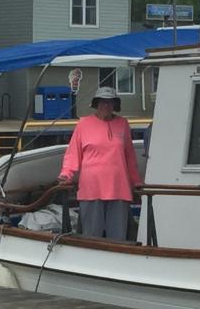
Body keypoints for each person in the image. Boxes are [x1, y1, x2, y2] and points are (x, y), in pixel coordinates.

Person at [58, 86, 142, 240]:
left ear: (115, 105)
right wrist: (66, 174)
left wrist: (136, 181)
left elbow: (130, 156)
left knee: (118, 238)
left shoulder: (123, 124)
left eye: (110, 102)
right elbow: (73, 153)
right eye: (102, 102)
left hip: (119, 187)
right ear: (96, 104)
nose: (106, 106)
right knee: (91, 236)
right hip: (91, 188)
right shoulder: (83, 124)